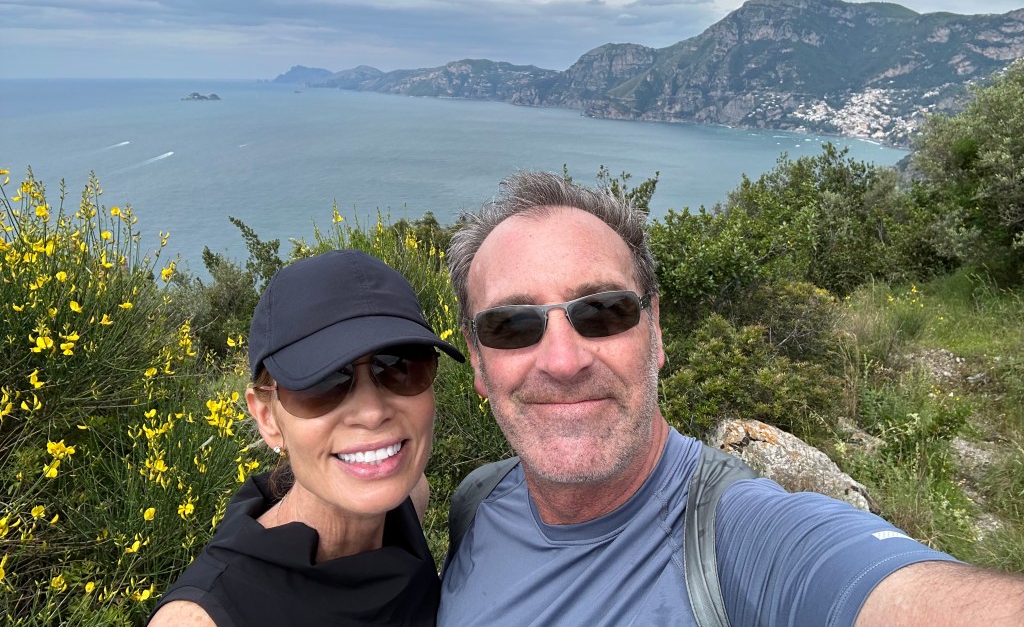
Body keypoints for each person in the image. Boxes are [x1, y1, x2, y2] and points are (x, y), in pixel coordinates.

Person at [438, 170, 1024, 627]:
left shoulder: (741, 540)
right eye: (511, 326)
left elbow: (878, 589)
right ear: (478, 361)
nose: (564, 362)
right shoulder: (479, 502)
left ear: (655, 331)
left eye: (603, 312)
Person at [149, 249, 464, 627]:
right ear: (267, 417)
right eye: (324, 382)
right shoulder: (202, 618)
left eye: (400, 366)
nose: (371, 412)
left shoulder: (407, 501)